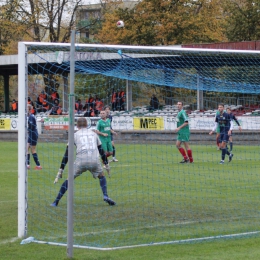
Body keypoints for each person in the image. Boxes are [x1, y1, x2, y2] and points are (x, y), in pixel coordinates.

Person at [50, 117, 115, 206]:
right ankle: (105, 195)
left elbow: (67, 154)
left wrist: (61, 169)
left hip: (81, 161)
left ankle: (55, 201)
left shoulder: (75, 135)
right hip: (94, 160)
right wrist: (106, 164)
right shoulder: (94, 134)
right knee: (101, 176)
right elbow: (101, 150)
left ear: (77, 126)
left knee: (69, 180)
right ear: (87, 125)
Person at [27, 104, 42, 170]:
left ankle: (28, 165)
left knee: (28, 149)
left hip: (33, 134)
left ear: (29, 109)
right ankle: (37, 165)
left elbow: (32, 126)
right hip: (32, 133)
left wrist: (28, 130)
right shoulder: (30, 116)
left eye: (27, 108)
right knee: (30, 149)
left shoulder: (31, 117)